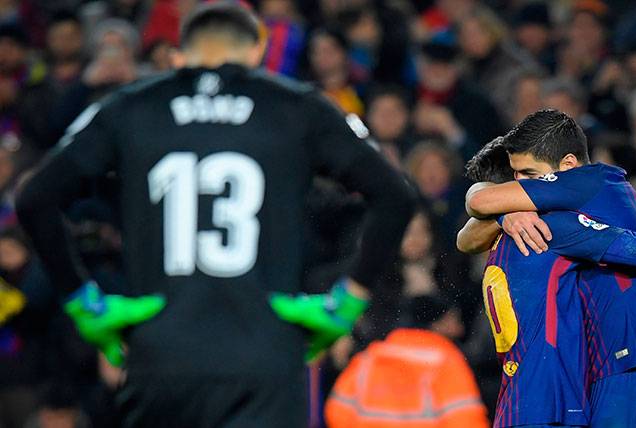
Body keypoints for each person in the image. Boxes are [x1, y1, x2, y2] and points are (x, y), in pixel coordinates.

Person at [15, 4, 414, 427]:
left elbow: (34, 199)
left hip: (160, 355)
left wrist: (83, 302)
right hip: (265, 355)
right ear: (256, 54)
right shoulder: (295, 106)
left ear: (180, 56)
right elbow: (395, 196)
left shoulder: (131, 106)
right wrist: (348, 299)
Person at [464, 109, 636, 427]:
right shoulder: (551, 224)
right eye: (516, 178)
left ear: (567, 166)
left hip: (627, 368)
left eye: (529, 174)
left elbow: (469, 228)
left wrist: (503, 213)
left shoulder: (585, 191)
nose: (523, 185)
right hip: (608, 373)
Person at [324, 294, 490, 428]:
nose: (459, 329)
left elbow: (337, 413)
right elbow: (466, 420)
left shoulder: (370, 357)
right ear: (436, 323)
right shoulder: (446, 361)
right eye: (453, 320)